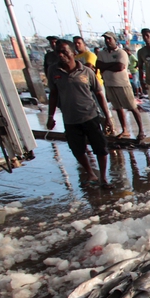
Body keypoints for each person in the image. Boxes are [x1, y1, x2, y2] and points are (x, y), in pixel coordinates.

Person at [46, 39, 114, 189]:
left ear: (73, 53)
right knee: (77, 149)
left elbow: (99, 94)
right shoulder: (54, 71)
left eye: (64, 52)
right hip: (70, 118)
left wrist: (107, 117)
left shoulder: (86, 71)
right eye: (58, 52)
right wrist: (51, 116)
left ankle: (103, 177)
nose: (61, 55)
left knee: (100, 148)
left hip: (90, 115)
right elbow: (53, 94)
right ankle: (90, 173)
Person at [96, 31, 146, 141]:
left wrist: (106, 66)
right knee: (118, 108)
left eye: (109, 39)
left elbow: (120, 67)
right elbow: (99, 65)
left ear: (115, 40)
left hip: (122, 84)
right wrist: (112, 65)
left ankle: (141, 130)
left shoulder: (121, 52)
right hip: (109, 84)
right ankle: (124, 130)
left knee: (132, 107)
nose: (107, 41)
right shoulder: (101, 53)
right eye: (106, 39)